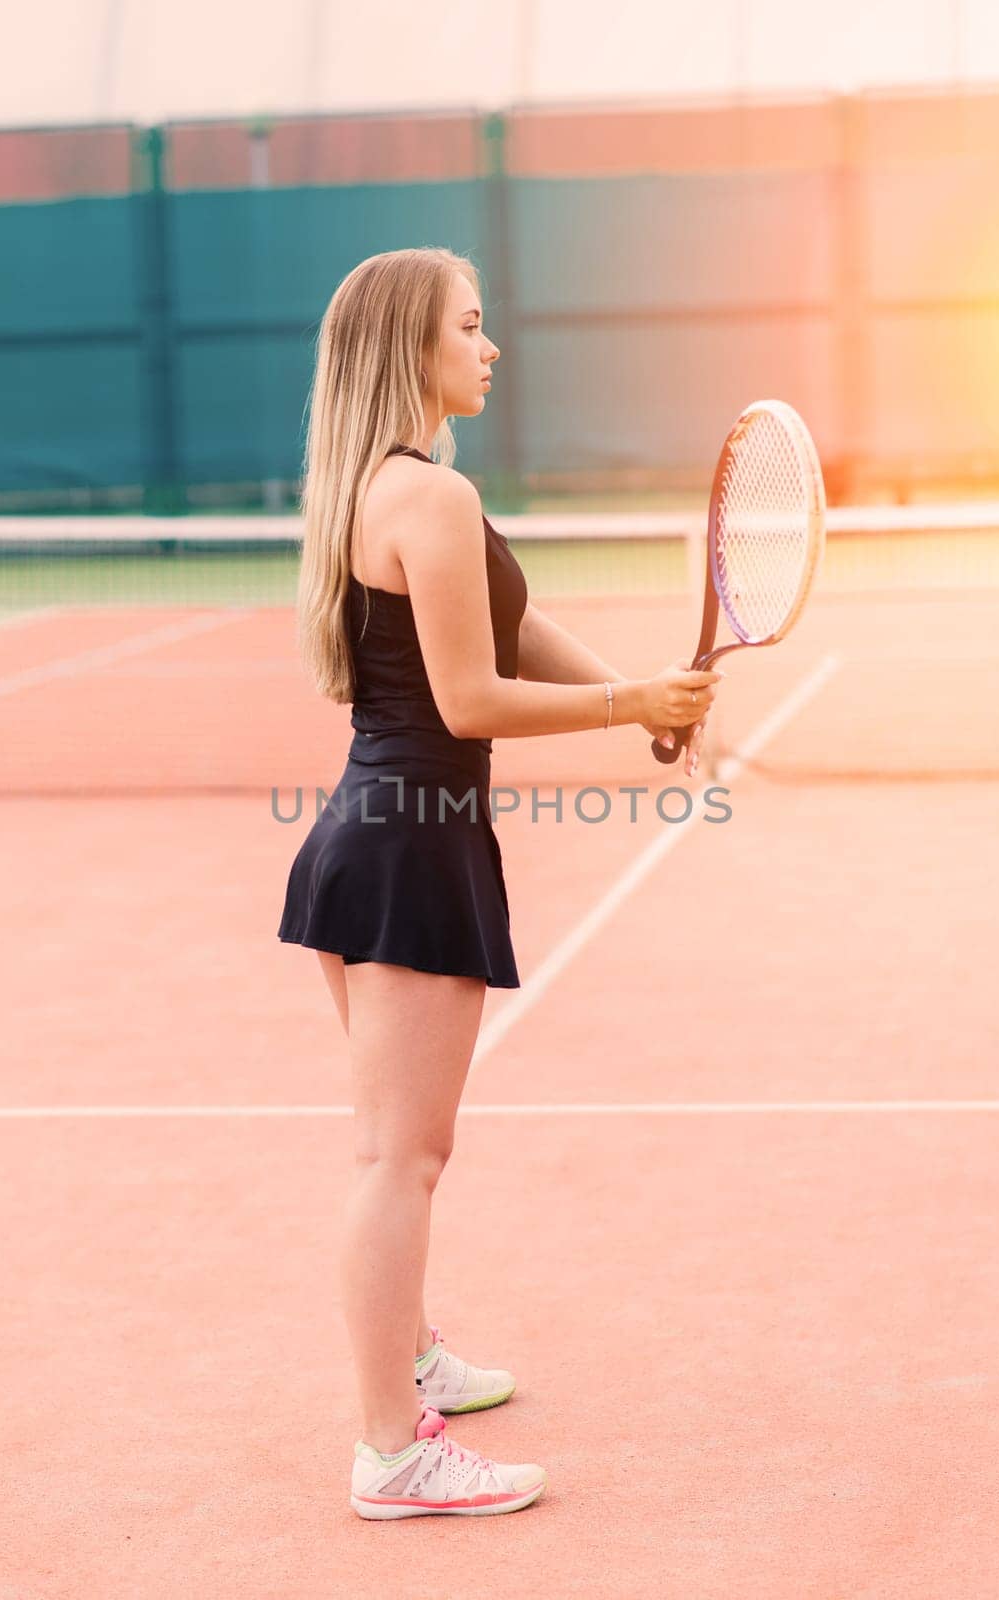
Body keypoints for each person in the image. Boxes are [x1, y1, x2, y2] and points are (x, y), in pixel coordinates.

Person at [278, 247, 721, 1519]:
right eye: (470, 329)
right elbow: (470, 698)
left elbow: (510, 632)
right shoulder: (428, 498)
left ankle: (415, 1363)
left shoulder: (400, 488)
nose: (491, 347)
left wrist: (646, 704)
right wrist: (629, 700)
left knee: (400, 1150)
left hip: (374, 834)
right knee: (399, 1159)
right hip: (410, 844)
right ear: (413, 348)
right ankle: (390, 1452)